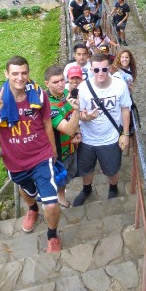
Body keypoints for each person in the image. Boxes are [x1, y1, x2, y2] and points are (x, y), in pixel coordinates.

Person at [0, 56, 62, 252]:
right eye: (15, 73)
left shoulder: (38, 94)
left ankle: (52, 235)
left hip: (41, 157)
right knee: (26, 191)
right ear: (6, 74)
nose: (20, 78)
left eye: (24, 73)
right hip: (15, 162)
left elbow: (47, 123)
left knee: (51, 204)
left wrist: (53, 150)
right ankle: (32, 209)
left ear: (28, 73)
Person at [74, 52, 132, 206]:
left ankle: (113, 188)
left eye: (104, 69)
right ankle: (87, 189)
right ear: (91, 70)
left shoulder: (119, 85)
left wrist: (125, 134)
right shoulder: (84, 88)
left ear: (110, 68)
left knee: (112, 169)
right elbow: (79, 112)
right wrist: (85, 117)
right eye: (96, 70)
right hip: (88, 138)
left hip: (111, 137)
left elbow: (125, 109)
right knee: (87, 168)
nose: (100, 73)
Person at [44, 64, 81, 208]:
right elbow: (68, 129)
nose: (60, 84)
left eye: (62, 80)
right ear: (47, 83)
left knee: (68, 175)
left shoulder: (66, 93)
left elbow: (71, 118)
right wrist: (77, 111)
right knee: (59, 178)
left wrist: (78, 132)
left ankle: (60, 195)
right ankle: (53, 200)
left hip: (71, 147)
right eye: (55, 82)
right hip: (57, 152)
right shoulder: (47, 105)